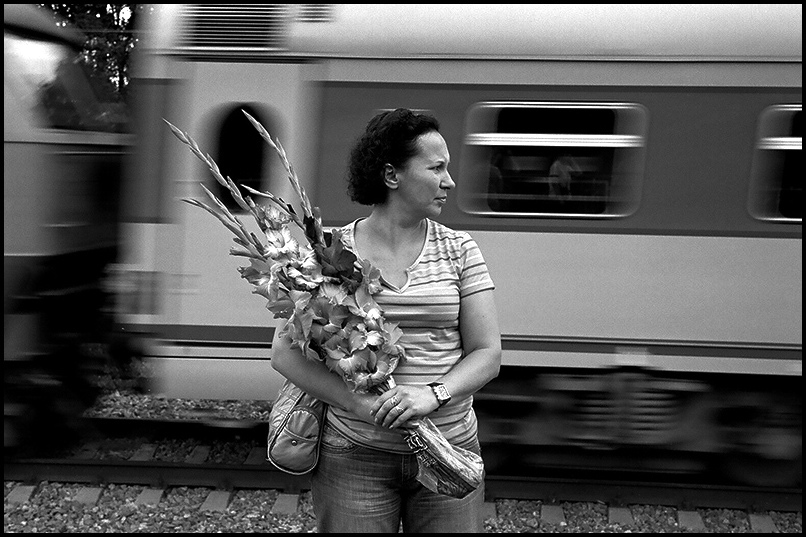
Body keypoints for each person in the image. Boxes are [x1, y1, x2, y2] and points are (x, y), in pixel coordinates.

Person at [271, 108, 501, 533]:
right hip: (355, 451)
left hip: (449, 446)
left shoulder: (460, 249)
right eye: (437, 168)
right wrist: (358, 404)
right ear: (392, 175)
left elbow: (487, 353)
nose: (449, 181)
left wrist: (433, 394)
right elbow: (284, 355)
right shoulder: (330, 254)